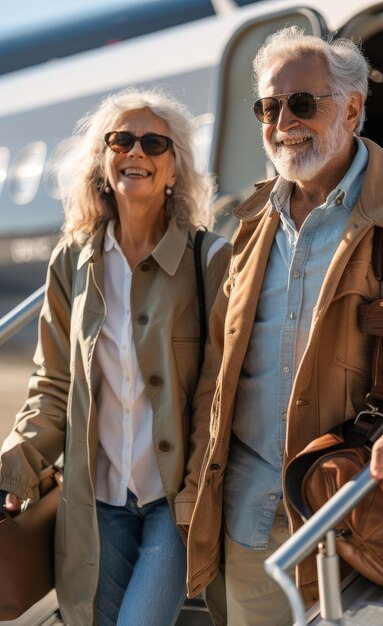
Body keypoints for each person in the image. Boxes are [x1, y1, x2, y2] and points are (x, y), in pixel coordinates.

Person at [175, 26, 383, 626]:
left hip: (362, 515)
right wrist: (198, 496)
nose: (282, 122)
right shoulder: (247, 227)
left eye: (302, 103)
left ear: (352, 108)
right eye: (268, 107)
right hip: (250, 524)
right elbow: (217, 381)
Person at [0, 87, 230, 626]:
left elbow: (219, 390)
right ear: (103, 162)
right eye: (121, 140)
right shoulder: (71, 262)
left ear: (175, 171)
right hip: (95, 506)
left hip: (175, 505)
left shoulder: (210, 259)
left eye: (155, 143)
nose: (137, 152)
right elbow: (53, 385)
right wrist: (13, 470)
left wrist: (199, 490)